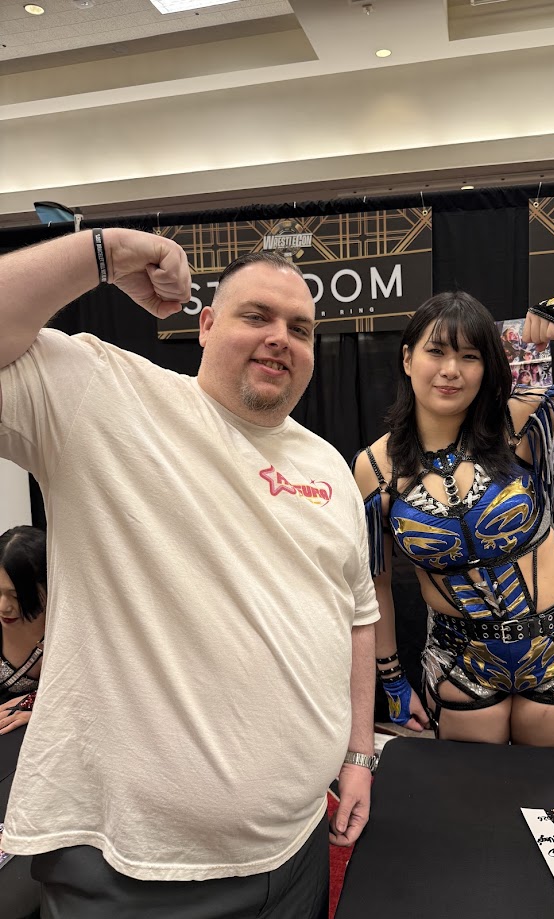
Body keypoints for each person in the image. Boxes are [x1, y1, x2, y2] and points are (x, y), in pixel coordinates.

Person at [0, 229, 379, 919]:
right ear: (205, 325)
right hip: (134, 870)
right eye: (256, 315)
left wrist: (358, 755)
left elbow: (356, 616)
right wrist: (105, 252)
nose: (280, 338)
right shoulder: (105, 397)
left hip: (297, 847)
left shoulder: (328, 464)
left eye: (299, 328)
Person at [353, 289, 554, 748]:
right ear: (408, 359)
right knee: (475, 791)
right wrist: (391, 678)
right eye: (436, 351)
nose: (451, 369)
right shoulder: (375, 466)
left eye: (469, 356)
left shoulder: (521, 421)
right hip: (460, 660)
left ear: (487, 367)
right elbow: (377, 583)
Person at [0, 525, 47, 734]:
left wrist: (35, 703)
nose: (3, 607)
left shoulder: (66, 630)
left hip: (37, 728)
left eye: (17, 597)